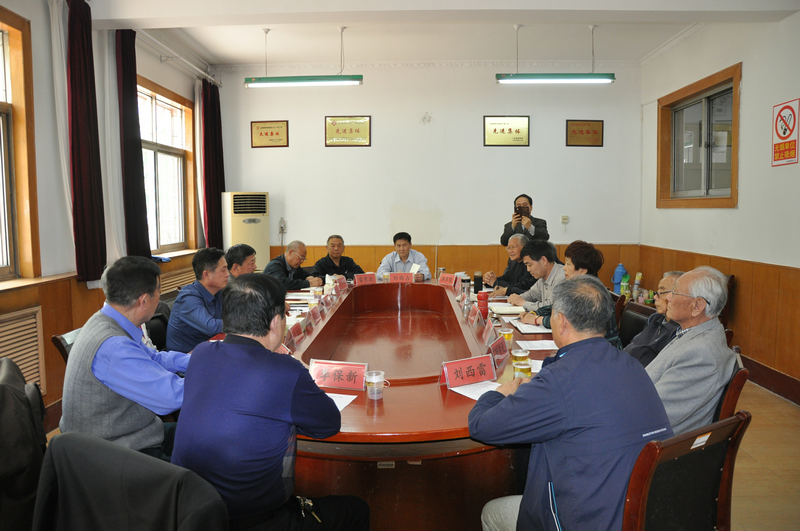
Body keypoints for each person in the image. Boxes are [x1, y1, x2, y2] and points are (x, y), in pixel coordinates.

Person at [469, 275, 672, 531]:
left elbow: (482, 426)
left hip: (588, 521)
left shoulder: (559, 382)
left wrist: (499, 393)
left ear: (561, 321)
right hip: (640, 513)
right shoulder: (631, 365)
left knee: (492, 512)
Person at [171, 274, 370, 531]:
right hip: (254, 520)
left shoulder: (201, 353)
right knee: (356, 510)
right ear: (276, 322)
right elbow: (329, 424)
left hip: (192, 512)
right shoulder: (284, 371)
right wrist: (298, 372)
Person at [60, 256, 189, 461]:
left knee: (202, 436)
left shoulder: (107, 320)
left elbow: (155, 358)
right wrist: (215, 377)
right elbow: (171, 396)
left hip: (134, 434)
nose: (160, 297)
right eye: (159, 290)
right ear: (144, 301)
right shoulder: (114, 347)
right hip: (115, 454)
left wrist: (201, 359)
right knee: (209, 455)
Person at [646, 266, 736, 435]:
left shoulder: (701, 354)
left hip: (655, 442)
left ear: (697, 306)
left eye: (675, 292)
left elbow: (654, 413)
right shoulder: (694, 333)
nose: (668, 298)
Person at [521, 240, 622, 349]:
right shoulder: (577, 286)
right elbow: (556, 306)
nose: (564, 268)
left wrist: (537, 319)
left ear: (583, 270)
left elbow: (567, 323)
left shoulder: (591, 293)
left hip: (603, 350)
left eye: (568, 264)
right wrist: (535, 312)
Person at [166, 248, 229, 352]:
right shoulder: (188, 298)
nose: (227, 274)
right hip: (185, 357)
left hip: (208, 348)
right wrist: (242, 322)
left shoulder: (219, 291)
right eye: (223, 270)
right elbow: (211, 326)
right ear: (206, 275)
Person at [623, 271, 684, 367]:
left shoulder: (680, 330)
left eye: (660, 293)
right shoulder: (654, 318)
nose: (655, 297)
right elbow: (634, 345)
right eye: (656, 292)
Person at [507, 241, 564, 312]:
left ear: (543, 260)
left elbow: (551, 307)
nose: (528, 269)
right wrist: (516, 298)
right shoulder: (543, 278)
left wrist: (523, 303)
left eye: (529, 265)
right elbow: (531, 294)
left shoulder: (562, 277)